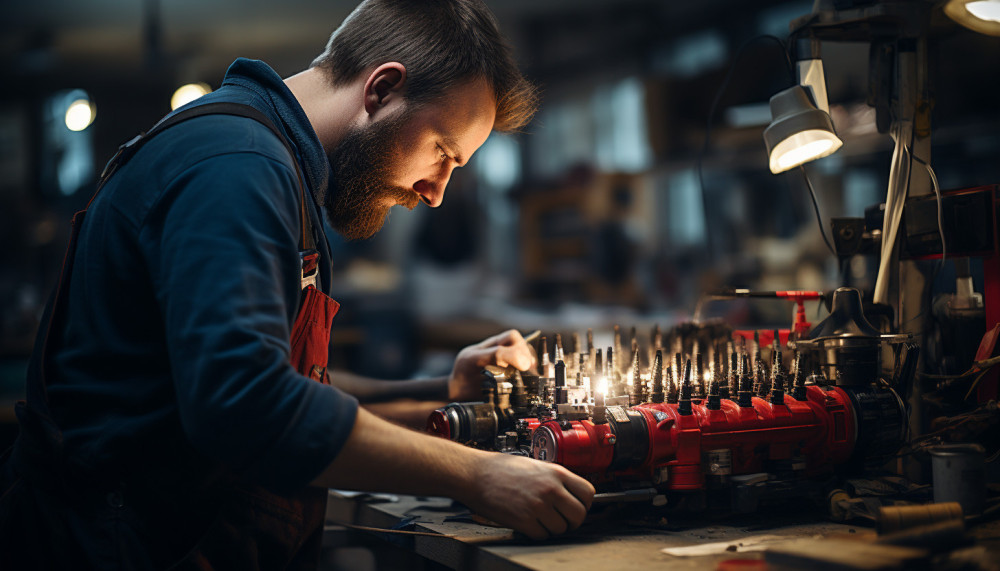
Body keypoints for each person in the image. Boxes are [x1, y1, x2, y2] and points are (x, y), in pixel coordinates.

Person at [0, 0, 595, 568]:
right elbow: (249, 404)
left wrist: (442, 387)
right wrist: (477, 475)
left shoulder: (268, 163)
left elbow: (288, 385)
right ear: (382, 89)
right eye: (442, 151)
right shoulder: (238, 167)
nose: (436, 193)